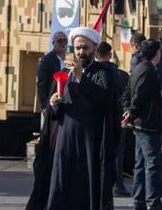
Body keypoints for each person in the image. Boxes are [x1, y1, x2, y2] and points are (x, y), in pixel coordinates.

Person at [45, 26, 121, 210]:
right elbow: (58, 110)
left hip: (89, 140)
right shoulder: (67, 73)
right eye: (78, 48)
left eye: (85, 48)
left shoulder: (102, 72)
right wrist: (54, 104)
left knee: (86, 186)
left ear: (94, 48)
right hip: (67, 138)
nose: (81, 52)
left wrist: (81, 77)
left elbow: (102, 99)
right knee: (63, 184)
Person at [27, 31, 69, 210]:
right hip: (50, 107)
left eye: (64, 41)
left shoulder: (67, 61)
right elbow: (42, 84)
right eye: (59, 41)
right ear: (53, 43)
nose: (62, 44)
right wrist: (45, 105)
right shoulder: (47, 61)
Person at [124, 39, 162, 210]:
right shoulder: (147, 71)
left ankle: (139, 201)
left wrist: (129, 111)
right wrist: (132, 112)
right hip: (147, 124)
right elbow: (138, 95)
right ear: (157, 53)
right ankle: (153, 202)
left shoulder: (139, 68)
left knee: (141, 164)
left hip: (142, 124)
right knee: (152, 164)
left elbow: (127, 92)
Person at [96, 41, 131, 198]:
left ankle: (98, 183)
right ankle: (119, 184)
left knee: (97, 153)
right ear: (110, 55)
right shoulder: (122, 75)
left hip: (97, 120)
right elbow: (128, 97)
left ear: (96, 55)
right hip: (116, 120)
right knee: (117, 153)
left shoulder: (91, 74)